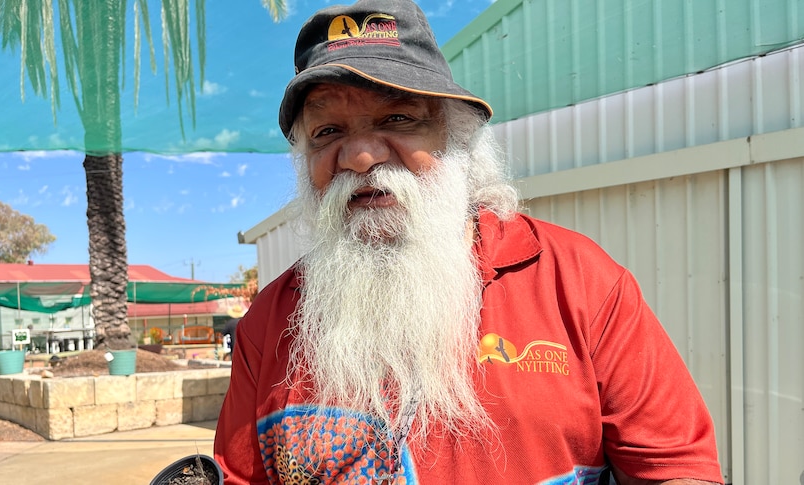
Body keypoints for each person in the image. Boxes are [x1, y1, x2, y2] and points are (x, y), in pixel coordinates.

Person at [214, 1, 724, 484]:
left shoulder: (581, 281)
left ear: (458, 137)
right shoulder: (270, 320)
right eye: (327, 131)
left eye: (398, 119)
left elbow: (675, 465)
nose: (361, 156)